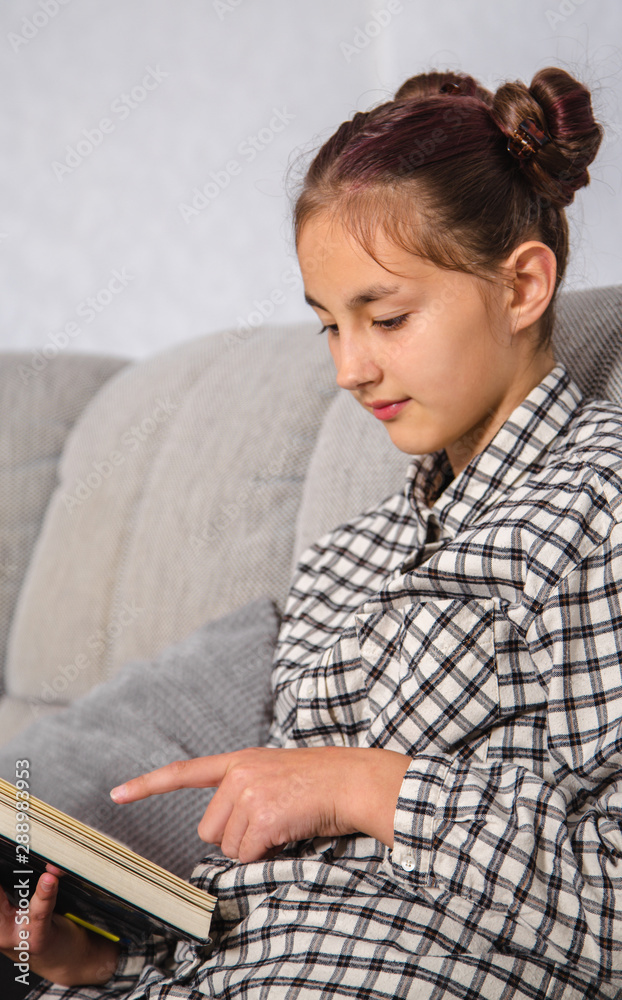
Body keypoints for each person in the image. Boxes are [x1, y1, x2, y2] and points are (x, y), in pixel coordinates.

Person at [0, 64, 617, 999]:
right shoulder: (343, 560)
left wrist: (360, 786)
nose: (349, 369)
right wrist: (90, 963)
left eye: (387, 318)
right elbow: (282, 902)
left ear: (523, 285)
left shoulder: (598, 502)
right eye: (329, 326)